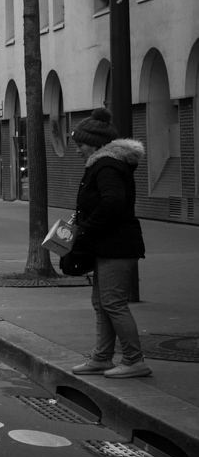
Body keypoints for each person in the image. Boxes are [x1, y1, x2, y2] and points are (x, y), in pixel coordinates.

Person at [68, 107, 149, 378]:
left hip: (117, 246)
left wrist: (86, 228)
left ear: (94, 144)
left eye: (80, 145)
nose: (78, 150)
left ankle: (134, 360)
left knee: (113, 303)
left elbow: (113, 202)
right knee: (102, 302)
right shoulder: (105, 164)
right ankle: (102, 358)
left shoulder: (106, 166)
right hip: (109, 244)